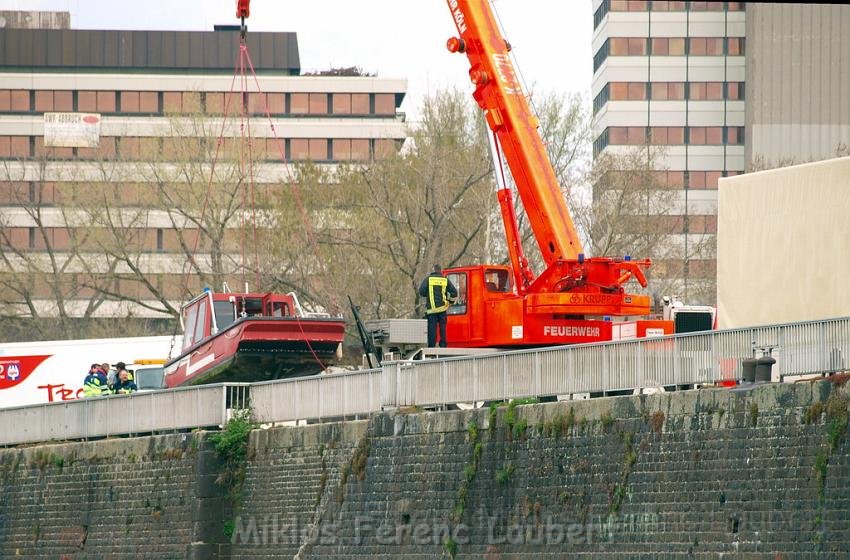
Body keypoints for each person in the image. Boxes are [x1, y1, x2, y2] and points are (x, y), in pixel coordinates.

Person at [419, 264, 458, 348]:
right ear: (440, 271)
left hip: (432, 310)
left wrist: (429, 294)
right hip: (442, 309)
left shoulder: (428, 279)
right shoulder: (445, 280)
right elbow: (454, 293)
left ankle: (432, 346)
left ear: (433, 270)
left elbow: (421, 291)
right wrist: (449, 302)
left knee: (432, 328)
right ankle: (443, 344)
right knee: (442, 327)